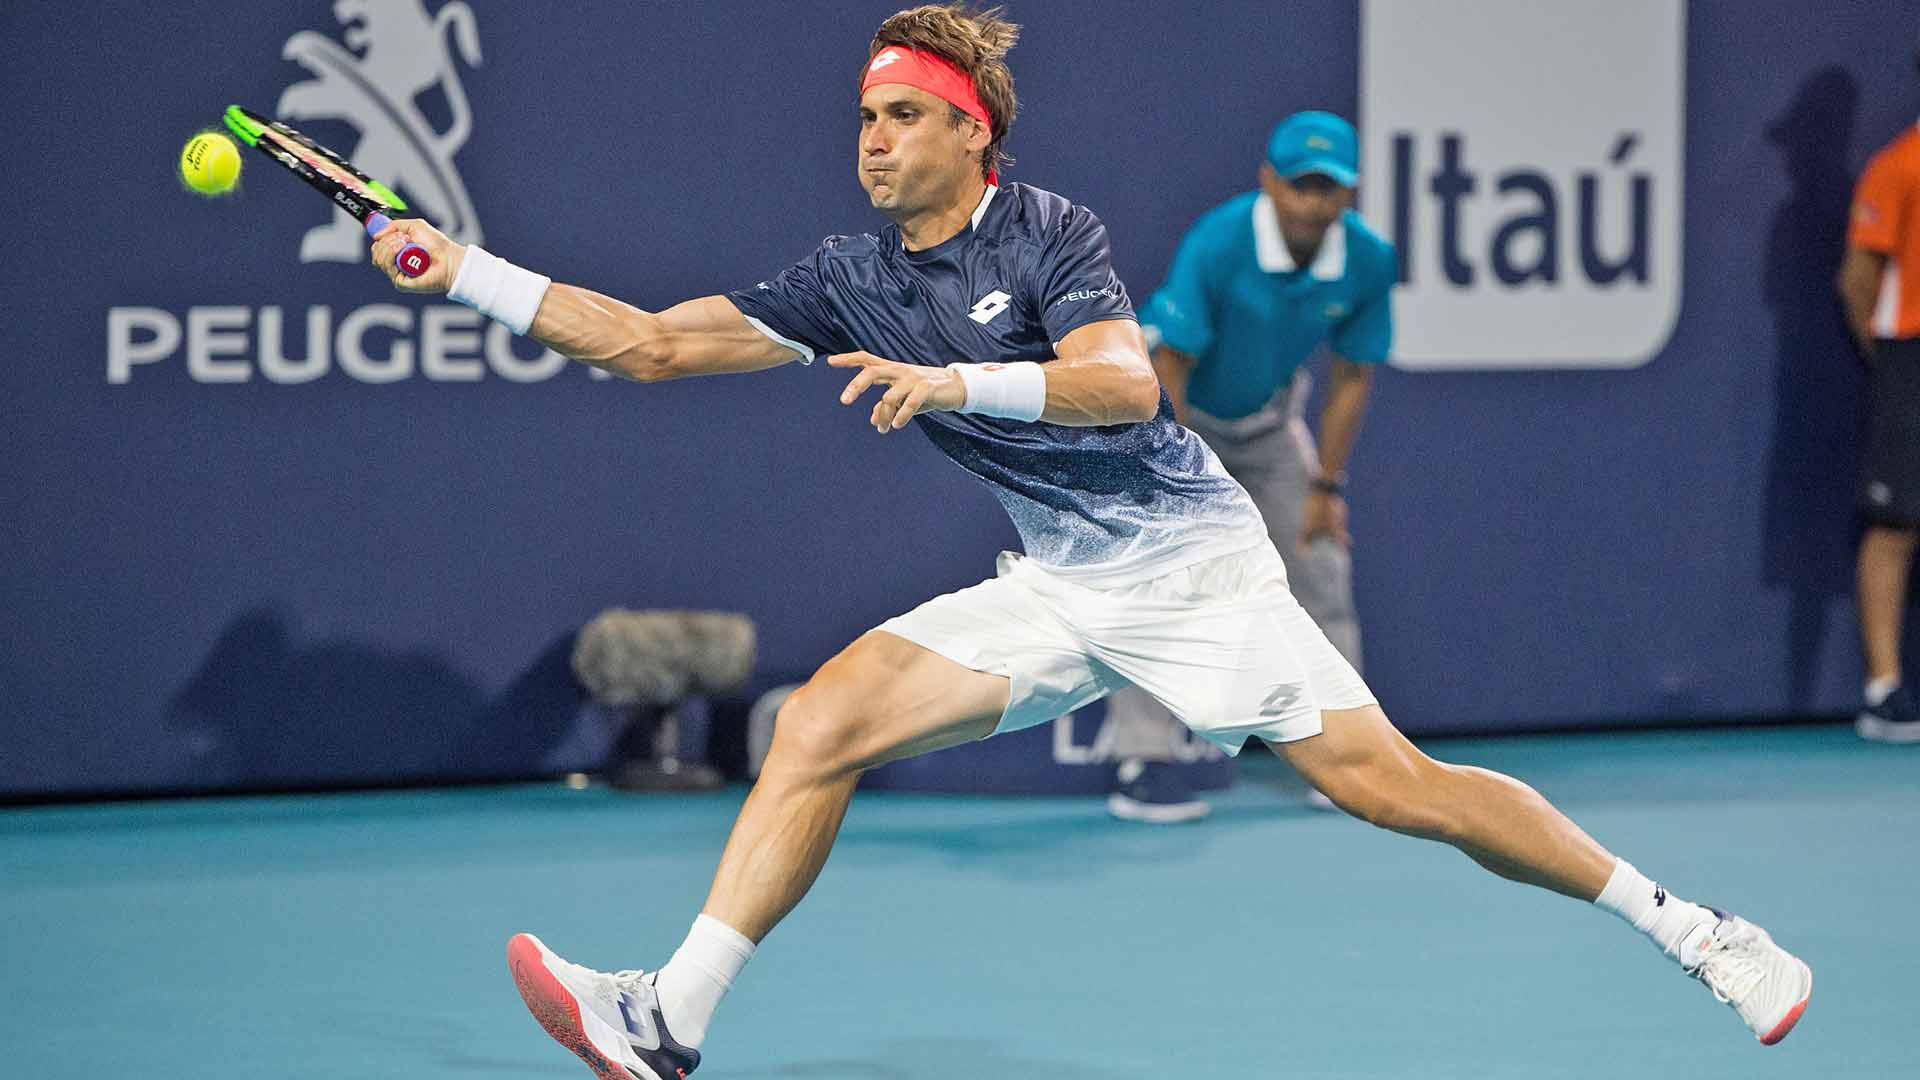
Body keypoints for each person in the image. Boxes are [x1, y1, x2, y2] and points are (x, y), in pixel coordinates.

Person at [363, 6, 1811, 1076]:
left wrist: (955, 381)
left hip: (1194, 568)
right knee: (824, 722)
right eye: (862, 118)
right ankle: (668, 1021)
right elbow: (649, 345)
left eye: (902, 116)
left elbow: (1124, 381)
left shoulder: (1048, 231)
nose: (871, 140)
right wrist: (464, 271)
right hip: (1064, 585)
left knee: (1396, 790)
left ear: (971, 131)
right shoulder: (844, 279)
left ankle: (1696, 931)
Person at [1104, 110, 1392, 823]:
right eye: (1300, 186)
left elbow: (1352, 375)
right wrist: (1168, 475)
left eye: (1330, 189)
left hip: (1268, 425)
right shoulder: (1220, 241)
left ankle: (1350, 760)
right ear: (1269, 182)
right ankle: (1146, 758)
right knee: (1157, 573)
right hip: (1172, 414)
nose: (1312, 204)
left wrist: (1327, 485)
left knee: (1320, 567)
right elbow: (1172, 359)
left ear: (1349, 196)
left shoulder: (1368, 259)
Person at [1839, 50, 1920, 744]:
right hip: (1910, 354)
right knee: (1894, 523)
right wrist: (1891, 355)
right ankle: (1884, 690)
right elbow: (1858, 280)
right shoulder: (1899, 165)